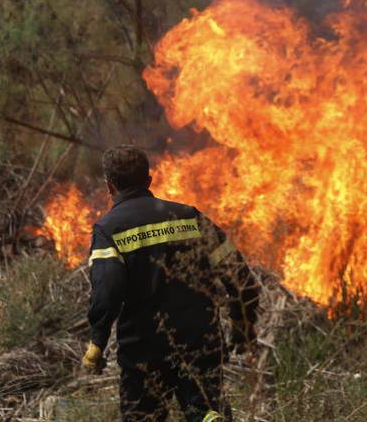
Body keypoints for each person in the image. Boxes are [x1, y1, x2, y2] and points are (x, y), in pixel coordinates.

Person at [81, 145, 260, 422]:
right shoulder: (189, 216)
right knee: (205, 411)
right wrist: (242, 321)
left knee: (143, 417)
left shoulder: (109, 229)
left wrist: (97, 341)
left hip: (143, 349)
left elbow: (108, 290)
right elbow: (238, 274)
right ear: (148, 180)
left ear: (109, 186)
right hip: (200, 341)